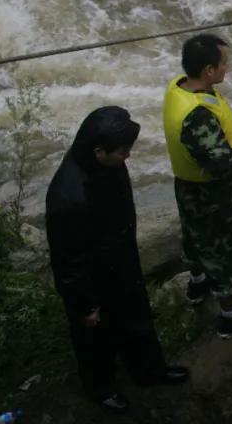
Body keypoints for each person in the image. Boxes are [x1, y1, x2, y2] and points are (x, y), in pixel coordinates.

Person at [46, 107, 189, 415]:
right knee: (95, 338)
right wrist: (84, 304)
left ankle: (150, 370)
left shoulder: (108, 163)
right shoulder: (68, 197)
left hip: (120, 257)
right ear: (99, 152)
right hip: (93, 276)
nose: (128, 157)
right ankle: (102, 389)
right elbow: (68, 261)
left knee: (137, 318)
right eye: (123, 151)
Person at [162, 33, 232, 337]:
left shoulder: (178, 88)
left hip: (186, 185)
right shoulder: (198, 117)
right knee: (225, 250)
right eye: (223, 63)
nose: (227, 68)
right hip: (209, 194)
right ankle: (230, 318)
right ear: (208, 70)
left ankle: (197, 285)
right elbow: (227, 168)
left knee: (193, 237)